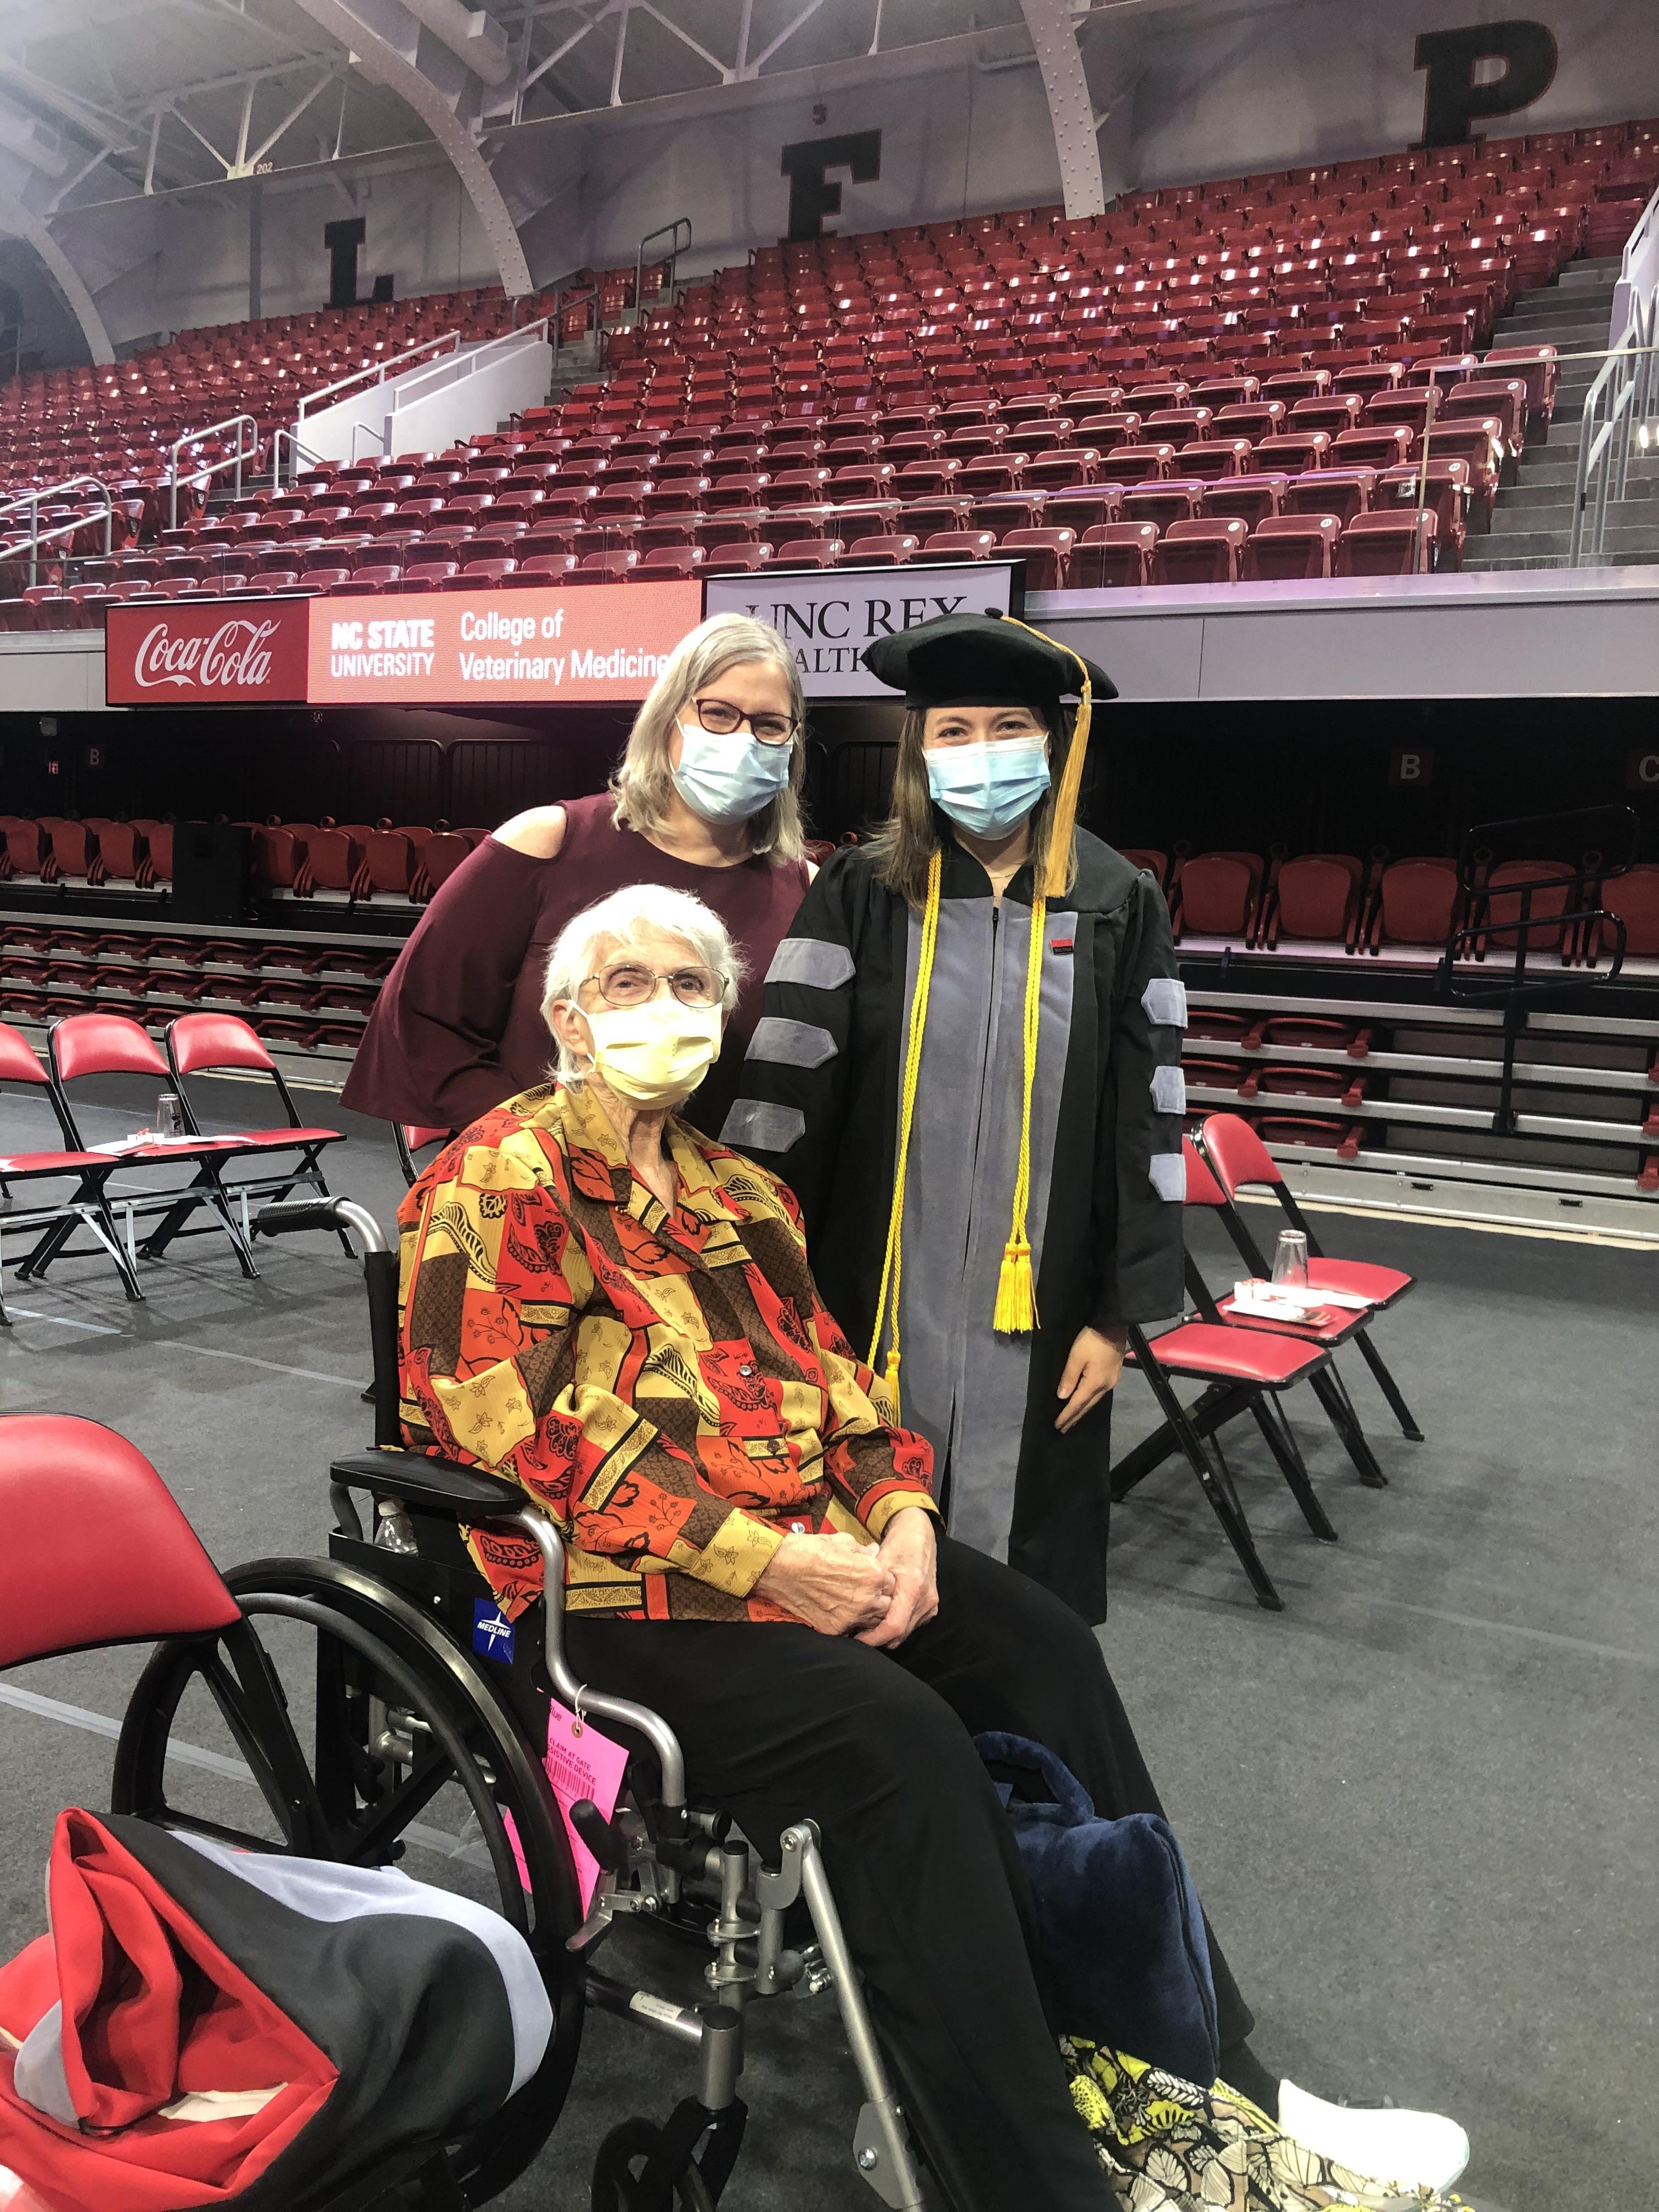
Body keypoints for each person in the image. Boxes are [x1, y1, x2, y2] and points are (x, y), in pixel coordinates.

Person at [396, 883, 1469, 2212]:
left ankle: (1211, 2072)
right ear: (567, 1017)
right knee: (898, 1745)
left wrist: (904, 1516)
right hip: (616, 1589)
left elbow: (840, 1390)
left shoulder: (744, 1193)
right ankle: (1034, 2177)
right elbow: (506, 1430)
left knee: (1044, 1649)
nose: (663, 1010)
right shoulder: (498, 1178)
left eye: (690, 986)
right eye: (628, 985)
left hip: (812, 1540)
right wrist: (765, 1560)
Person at [720, 611, 1178, 1624]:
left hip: (1045, 1302)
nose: (982, 753)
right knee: (855, 1542)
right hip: (867, 1284)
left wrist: (1114, 1318)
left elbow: (1148, 1120)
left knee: (1022, 1594)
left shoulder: (1116, 898)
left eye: (1009, 727)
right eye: (954, 731)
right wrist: (763, 1286)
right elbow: (785, 1096)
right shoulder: (861, 889)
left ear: (1053, 743)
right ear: (918, 750)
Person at [343, 612, 815, 1142]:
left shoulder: (810, 892)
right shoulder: (547, 843)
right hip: (542, 1175)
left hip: (720, 1186)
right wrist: (537, 1143)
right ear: (668, 718)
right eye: (719, 714)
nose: (744, 739)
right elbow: (423, 1020)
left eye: (769, 725)